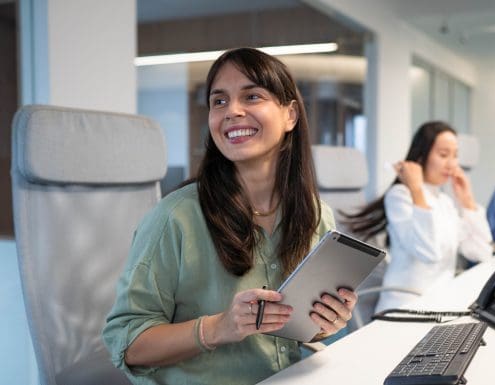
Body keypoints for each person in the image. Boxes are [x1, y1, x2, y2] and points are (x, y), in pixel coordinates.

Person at [102, 47, 356, 385]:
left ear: (290, 115)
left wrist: (327, 323)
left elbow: (306, 335)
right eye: (219, 101)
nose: (232, 111)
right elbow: (127, 343)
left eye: (252, 96)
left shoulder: (315, 214)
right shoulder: (173, 219)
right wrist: (219, 327)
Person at [344, 121, 493, 312]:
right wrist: (416, 189)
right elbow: (429, 252)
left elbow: (482, 252)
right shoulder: (400, 195)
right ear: (421, 156)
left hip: (439, 305)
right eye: (443, 155)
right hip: (404, 308)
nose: (452, 163)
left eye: (455, 156)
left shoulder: (444, 202)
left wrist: (468, 201)